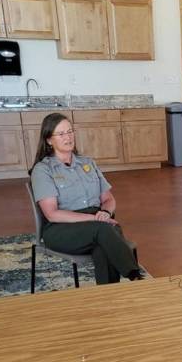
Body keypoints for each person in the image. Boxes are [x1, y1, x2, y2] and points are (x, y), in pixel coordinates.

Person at [30, 113, 143, 284]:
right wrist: (96, 219)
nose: (68, 137)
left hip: (98, 224)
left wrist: (105, 212)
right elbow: (52, 214)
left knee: (103, 245)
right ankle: (135, 276)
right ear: (48, 140)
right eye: (61, 134)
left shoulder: (88, 163)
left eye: (70, 131)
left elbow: (108, 198)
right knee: (106, 230)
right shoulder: (43, 170)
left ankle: (109, 298)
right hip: (62, 228)